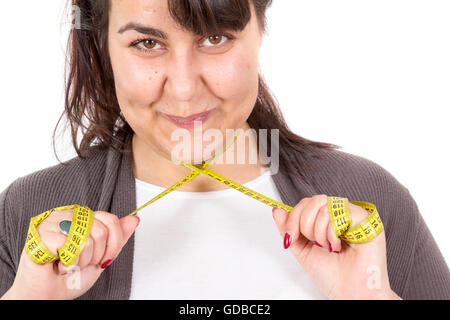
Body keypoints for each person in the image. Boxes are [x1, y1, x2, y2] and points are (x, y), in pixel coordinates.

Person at [0, 0, 449, 300]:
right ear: (102, 45)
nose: (183, 87)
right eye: (146, 43)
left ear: (260, 28)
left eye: (214, 37)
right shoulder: (29, 214)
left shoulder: (368, 202)